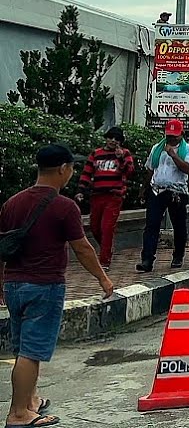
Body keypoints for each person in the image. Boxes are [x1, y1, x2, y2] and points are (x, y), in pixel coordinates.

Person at [1, 145, 113, 428]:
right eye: (71, 168)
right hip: (44, 286)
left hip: (14, 285)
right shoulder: (64, 206)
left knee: (23, 348)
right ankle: (18, 414)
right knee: (32, 351)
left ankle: (29, 401)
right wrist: (102, 277)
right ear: (63, 169)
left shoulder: (12, 203)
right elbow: (83, 249)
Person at [138, 119, 189, 273]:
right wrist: (144, 188)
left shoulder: (188, 150)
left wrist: (174, 155)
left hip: (177, 192)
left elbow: (188, 169)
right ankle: (147, 259)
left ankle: (178, 255)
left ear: (181, 134)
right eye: (169, 135)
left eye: (174, 136)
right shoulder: (157, 148)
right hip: (157, 190)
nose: (171, 139)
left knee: (179, 226)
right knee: (152, 225)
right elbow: (150, 169)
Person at [76, 126, 135, 268]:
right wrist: (81, 190)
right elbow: (87, 173)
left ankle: (104, 260)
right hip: (97, 195)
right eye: (110, 138)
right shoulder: (96, 154)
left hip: (114, 195)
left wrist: (121, 158)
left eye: (116, 139)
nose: (113, 141)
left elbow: (130, 171)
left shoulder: (125, 153)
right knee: (95, 227)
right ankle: (106, 248)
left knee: (107, 227)